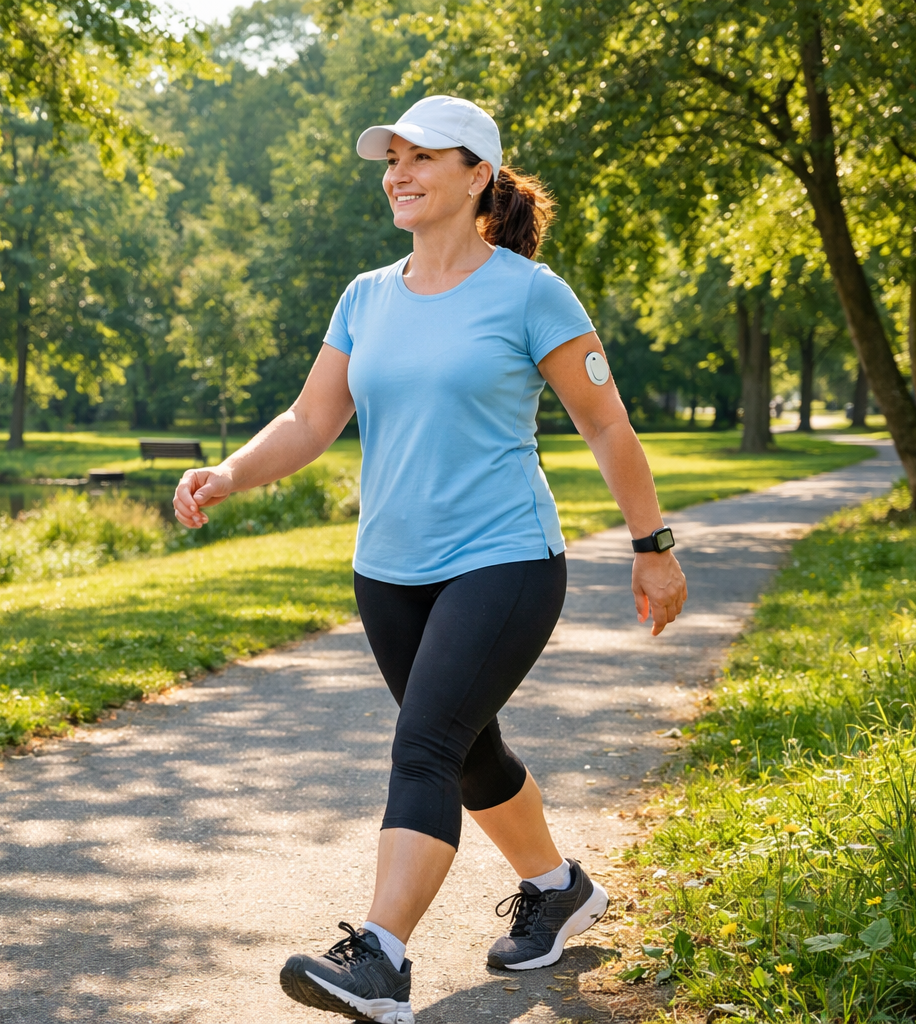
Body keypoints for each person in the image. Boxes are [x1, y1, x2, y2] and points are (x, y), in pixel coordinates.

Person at [172, 94, 688, 1024]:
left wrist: (653, 548)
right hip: (389, 571)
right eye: (391, 158)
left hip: (504, 559)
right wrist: (231, 474)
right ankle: (560, 888)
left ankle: (380, 961)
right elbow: (310, 419)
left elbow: (605, 422)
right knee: (464, 749)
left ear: (477, 174)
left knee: (425, 744)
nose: (397, 173)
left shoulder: (531, 291)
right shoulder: (366, 295)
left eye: (421, 157)